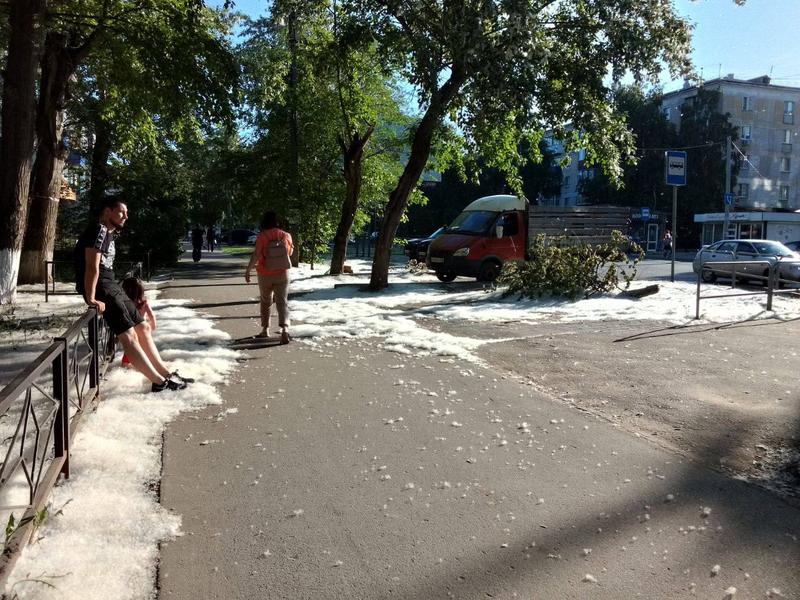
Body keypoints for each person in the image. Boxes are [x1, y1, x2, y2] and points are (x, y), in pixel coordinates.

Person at [74, 196, 194, 392]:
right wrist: (91, 298)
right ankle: (159, 382)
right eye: (121, 212)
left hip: (112, 285)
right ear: (107, 211)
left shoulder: (108, 233)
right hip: (103, 288)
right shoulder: (98, 230)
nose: (125, 216)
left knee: (143, 327)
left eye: (126, 213)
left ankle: (165, 373)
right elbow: (91, 267)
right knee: (128, 335)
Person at [245, 211, 293, 343]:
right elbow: (290, 252)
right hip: (283, 273)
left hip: (265, 273)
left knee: (266, 301)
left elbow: (256, 255)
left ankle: (265, 329)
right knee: (282, 302)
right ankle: (285, 330)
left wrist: (248, 270)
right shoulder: (286, 235)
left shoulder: (262, 236)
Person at [120, 277, 156, 367]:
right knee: (145, 347)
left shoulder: (126, 304)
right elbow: (151, 315)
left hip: (131, 329)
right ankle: (148, 364)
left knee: (131, 348)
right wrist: (153, 325)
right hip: (142, 328)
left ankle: (125, 365)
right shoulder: (144, 303)